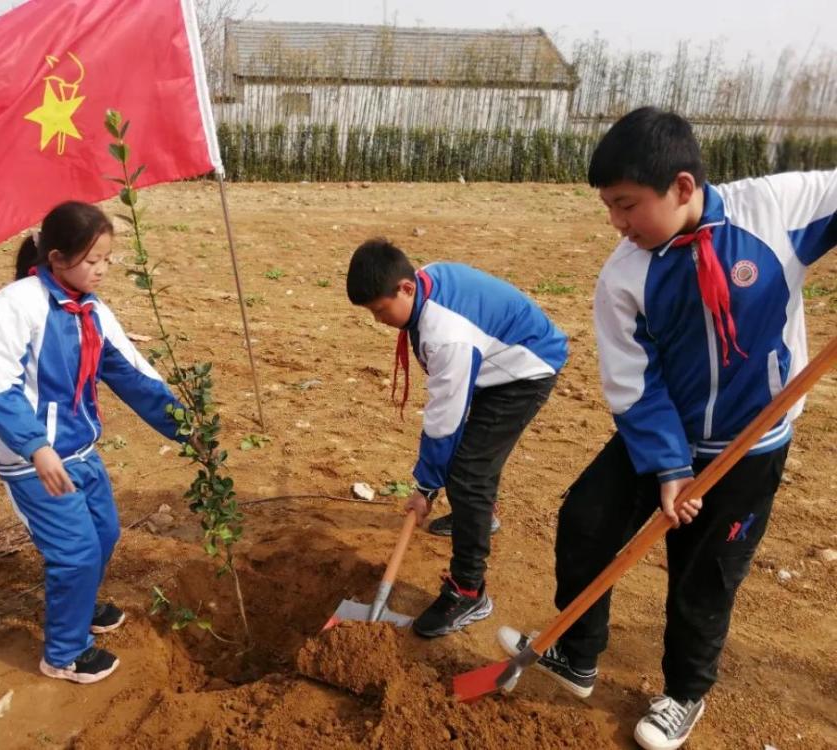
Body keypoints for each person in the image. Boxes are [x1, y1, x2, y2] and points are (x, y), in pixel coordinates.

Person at [497, 107, 836, 750]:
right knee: (587, 522)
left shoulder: (771, 211)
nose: (617, 223)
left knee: (703, 574)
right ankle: (579, 654)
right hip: (664, 435)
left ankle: (684, 693)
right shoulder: (625, 275)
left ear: (682, 187)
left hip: (750, 446)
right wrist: (670, 469)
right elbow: (633, 384)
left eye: (627, 205)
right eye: (610, 207)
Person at [0, 201, 192, 684]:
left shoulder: (90, 310)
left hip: (77, 447)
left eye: (107, 260)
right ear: (56, 257)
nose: (103, 270)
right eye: (93, 260)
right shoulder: (18, 304)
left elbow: (128, 372)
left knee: (104, 534)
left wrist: (183, 426)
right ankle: (65, 652)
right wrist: (36, 446)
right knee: (75, 552)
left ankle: (79, 601)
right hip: (32, 457)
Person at [346, 239, 568, 637]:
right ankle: (483, 515)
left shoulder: (447, 335)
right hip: (496, 355)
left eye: (380, 310)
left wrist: (426, 487)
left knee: (468, 474)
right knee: (474, 459)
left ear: (406, 288)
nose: (378, 320)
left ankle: (469, 591)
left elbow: (444, 422)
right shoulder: (424, 281)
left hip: (526, 369)